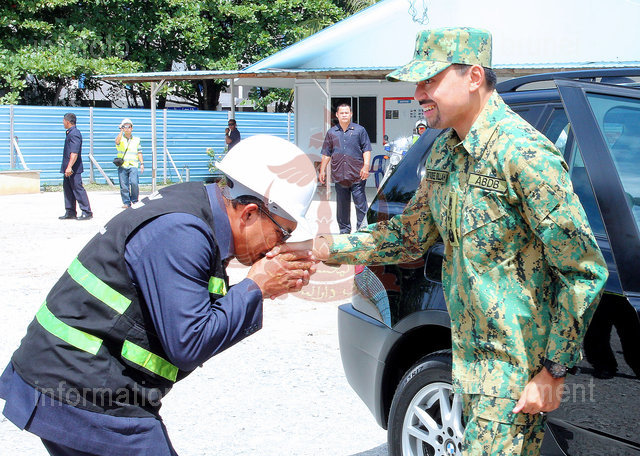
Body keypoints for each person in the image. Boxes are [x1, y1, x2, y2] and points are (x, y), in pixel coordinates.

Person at [276, 27, 609, 455]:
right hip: (465, 366)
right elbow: (409, 235)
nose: (419, 93)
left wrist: (554, 370)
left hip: (511, 375)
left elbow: (583, 270)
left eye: (430, 80)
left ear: (474, 77)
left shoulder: (524, 154)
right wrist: (320, 247)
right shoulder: (444, 153)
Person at [0, 135, 318, 456]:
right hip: (78, 388)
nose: (279, 245)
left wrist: (259, 289)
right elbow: (189, 343)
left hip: (75, 379)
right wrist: (255, 287)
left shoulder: (196, 207)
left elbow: (192, 314)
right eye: (282, 233)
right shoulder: (182, 233)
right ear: (249, 213)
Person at [319, 103, 372, 234]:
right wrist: (322, 170)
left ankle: (363, 230)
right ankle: (344, 231)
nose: (344, 115)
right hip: (340, 175)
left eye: (346, 113)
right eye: (341, 113)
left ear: (351, 114)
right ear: (337, 115)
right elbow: (326, 153)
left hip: (357, 174)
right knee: (342, 206)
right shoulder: (331, 133)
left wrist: (366, 167)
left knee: (361, 205)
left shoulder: (360, 130)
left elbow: (366, 149)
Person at [59, 113, 92, 221]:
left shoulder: (74, 134)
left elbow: (74, 152)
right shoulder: (70, 133)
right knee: (68, 189)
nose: (63, 122)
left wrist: (69, 167)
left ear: (68, 121)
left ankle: (87, 212)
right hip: (68, 167)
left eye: (63, 121)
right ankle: (70, 212)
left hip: (73, 168)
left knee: (78, 189)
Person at [115, 118, 144, 208]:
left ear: (132, 128)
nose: (127, 129)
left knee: (134, 183)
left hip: (133, 165)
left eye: (129, 126)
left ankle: (135, 200)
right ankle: (126, 202)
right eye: (125, 127)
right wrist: (121, 131)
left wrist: (142, 163)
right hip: (123, 165)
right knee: (124, 185)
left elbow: (139, 152)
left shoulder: (136, 139)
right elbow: (117, 142)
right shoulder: (120, 138)